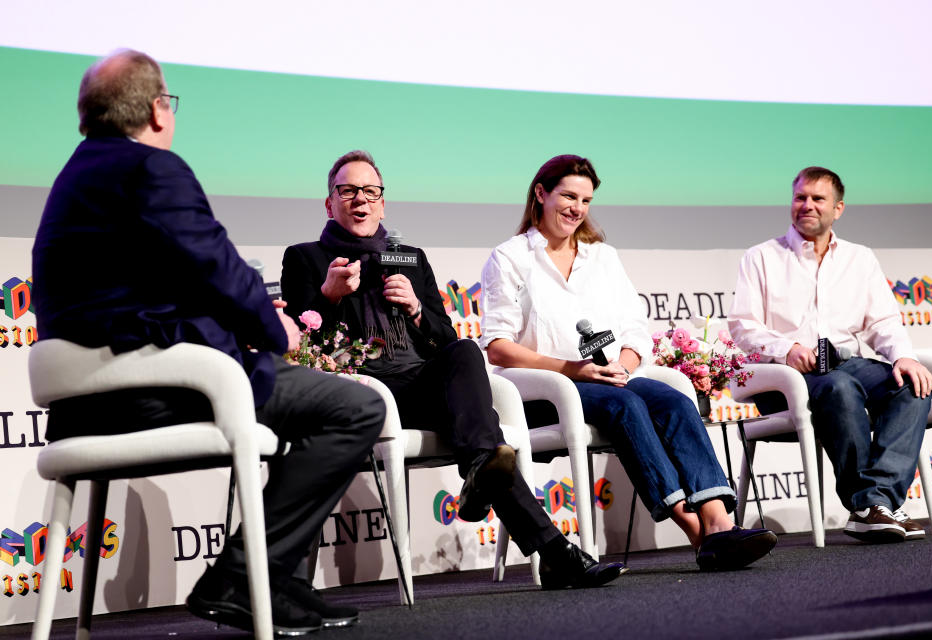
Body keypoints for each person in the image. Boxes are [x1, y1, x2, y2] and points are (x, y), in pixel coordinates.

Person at [32, 50, 385, 635]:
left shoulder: (73, 176)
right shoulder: (150, 168)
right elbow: (217, 268)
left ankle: (275, 581)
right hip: (153, 388)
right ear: (157, 109)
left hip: (82, 403)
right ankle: (243, 577)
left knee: (307, 407)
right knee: (355, 407)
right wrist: (278, 333)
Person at [281, 150, 623, 589]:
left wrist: (417, 309)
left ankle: (485, 471)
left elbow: (444, 337)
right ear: (330, 203)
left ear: (382, 203)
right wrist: (328, 296)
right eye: (347, 191)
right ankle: (552, 547)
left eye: (370, 191)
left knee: (464, 355)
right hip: (360, 390)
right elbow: (298, 343)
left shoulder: (409, 257)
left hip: (420, 385)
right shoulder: (305, 258)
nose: (360, 200)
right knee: (487, 444)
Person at [480, 154, 777, 571]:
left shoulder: (602, 257)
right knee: (627, 406)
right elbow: (498, 347)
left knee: (673, 401)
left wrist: (625, 360)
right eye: (567, 196)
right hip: (546, 389)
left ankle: (719, 524)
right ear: (541, 194)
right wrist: (571, 369)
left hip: (611, 379)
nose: (576, 208)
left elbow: (635, 324)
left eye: (585, 200)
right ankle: (695, 531)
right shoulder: (511, 258)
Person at [728, 166, 932, 543]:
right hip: (784, 377)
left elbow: (884, 322)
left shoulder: (860, 258)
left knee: (912, 385)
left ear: (838, 208)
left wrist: (904, 356)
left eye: (817, 199)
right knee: (839, 386)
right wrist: (787, 349)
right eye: (799, 197)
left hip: (847, 364)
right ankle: (868, 505)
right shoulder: (761, 257)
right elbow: (743, 326)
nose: (806, 205)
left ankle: (876, 502)